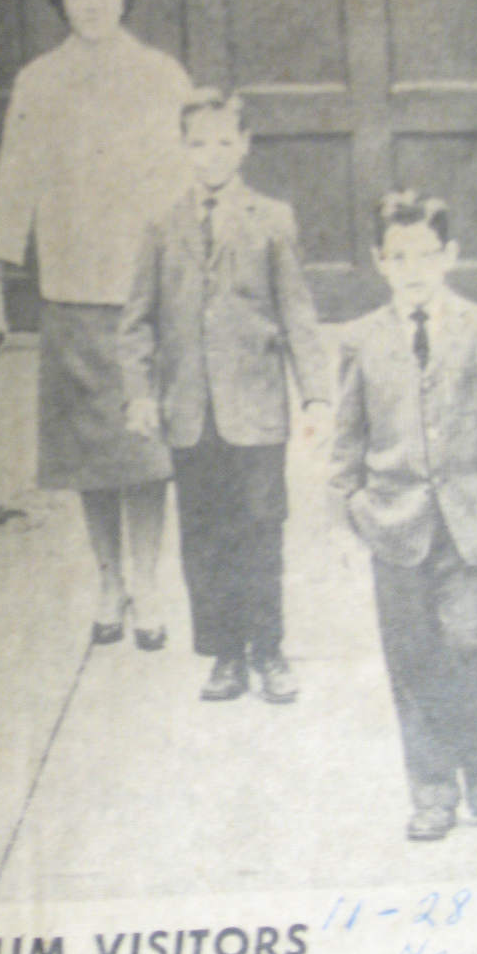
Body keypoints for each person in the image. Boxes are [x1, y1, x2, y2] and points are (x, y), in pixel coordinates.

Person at [0, 0, 192, 648]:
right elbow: (15, 182)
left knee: (145, 449)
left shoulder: (162, 76)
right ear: (61, 4)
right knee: (90, 451)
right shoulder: (39, 81)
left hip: (142, 291)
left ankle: (150, 584)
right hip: (71, 287)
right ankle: (108, 582)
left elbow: (188, 182)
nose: (92, 6)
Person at [330, 190, 477, 840]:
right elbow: (346, 445)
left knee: (466, 645)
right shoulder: (361, 339)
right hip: (392, 526)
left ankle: (474, 753)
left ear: (449, 255)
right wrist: (346, 517)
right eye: (399, 256)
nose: (414, 268)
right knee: (410, 659)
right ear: (379, 261)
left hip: (468, 524)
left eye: (426, 253)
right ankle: (432, 792)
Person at [119, 89, 330, 700]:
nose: (211, 154)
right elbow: (137, 321)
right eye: (198, 143)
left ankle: (268, 650)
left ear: (244, 145)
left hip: (257, 412)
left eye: (223, 142)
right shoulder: (162, 226)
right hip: (190, 413)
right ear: (182, 147)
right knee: (204, 532)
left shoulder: (272, 219)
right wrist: (139, 392)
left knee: (260, 528)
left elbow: (297, 315)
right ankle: (224, 654)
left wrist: (315, 395)